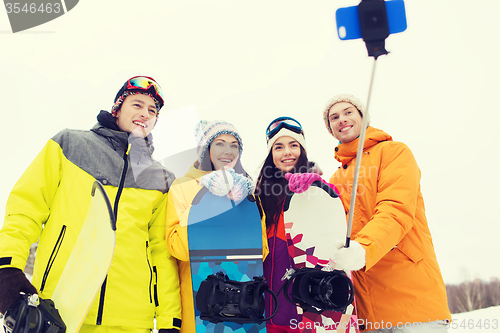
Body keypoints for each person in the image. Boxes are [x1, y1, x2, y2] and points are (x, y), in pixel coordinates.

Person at [0, 76, 182, 333]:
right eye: (137, 104)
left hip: (131, 320)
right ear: (117, 108)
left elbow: (161, 256)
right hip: (61, 310)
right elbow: (26, 209)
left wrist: (169, 321)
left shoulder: (161, 179)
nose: (145, 114)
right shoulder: (69, 145)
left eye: (152, 111)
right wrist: (7, 268)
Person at [323, 93, 452, 332]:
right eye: (334, 117)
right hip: (367, 313)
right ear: (330, 129)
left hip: (412, 303)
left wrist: (364, 248)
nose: (341, 119)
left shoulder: (394, 152)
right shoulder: (334, 179)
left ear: (364, 117)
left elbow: (396, 209)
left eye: (348, 112)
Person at [165, 120, 259, 333]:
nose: (228, 151)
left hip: (242, 304)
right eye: (220, 143)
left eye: (234, 145)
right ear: (205, 150)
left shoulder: (246, 192)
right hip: (200, 307)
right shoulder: (183, 187)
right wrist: (205, 201)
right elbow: (176, 248)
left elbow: (261, 250)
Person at [254, 116, 332, 333]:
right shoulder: (260, 196)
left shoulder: (319, 190)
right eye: (278, 147)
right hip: (269, 307)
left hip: (307, 308)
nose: (287, 152)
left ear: (303, 150)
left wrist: (317, 187)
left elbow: (333, 234)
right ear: (271, 155)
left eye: (293, 145)